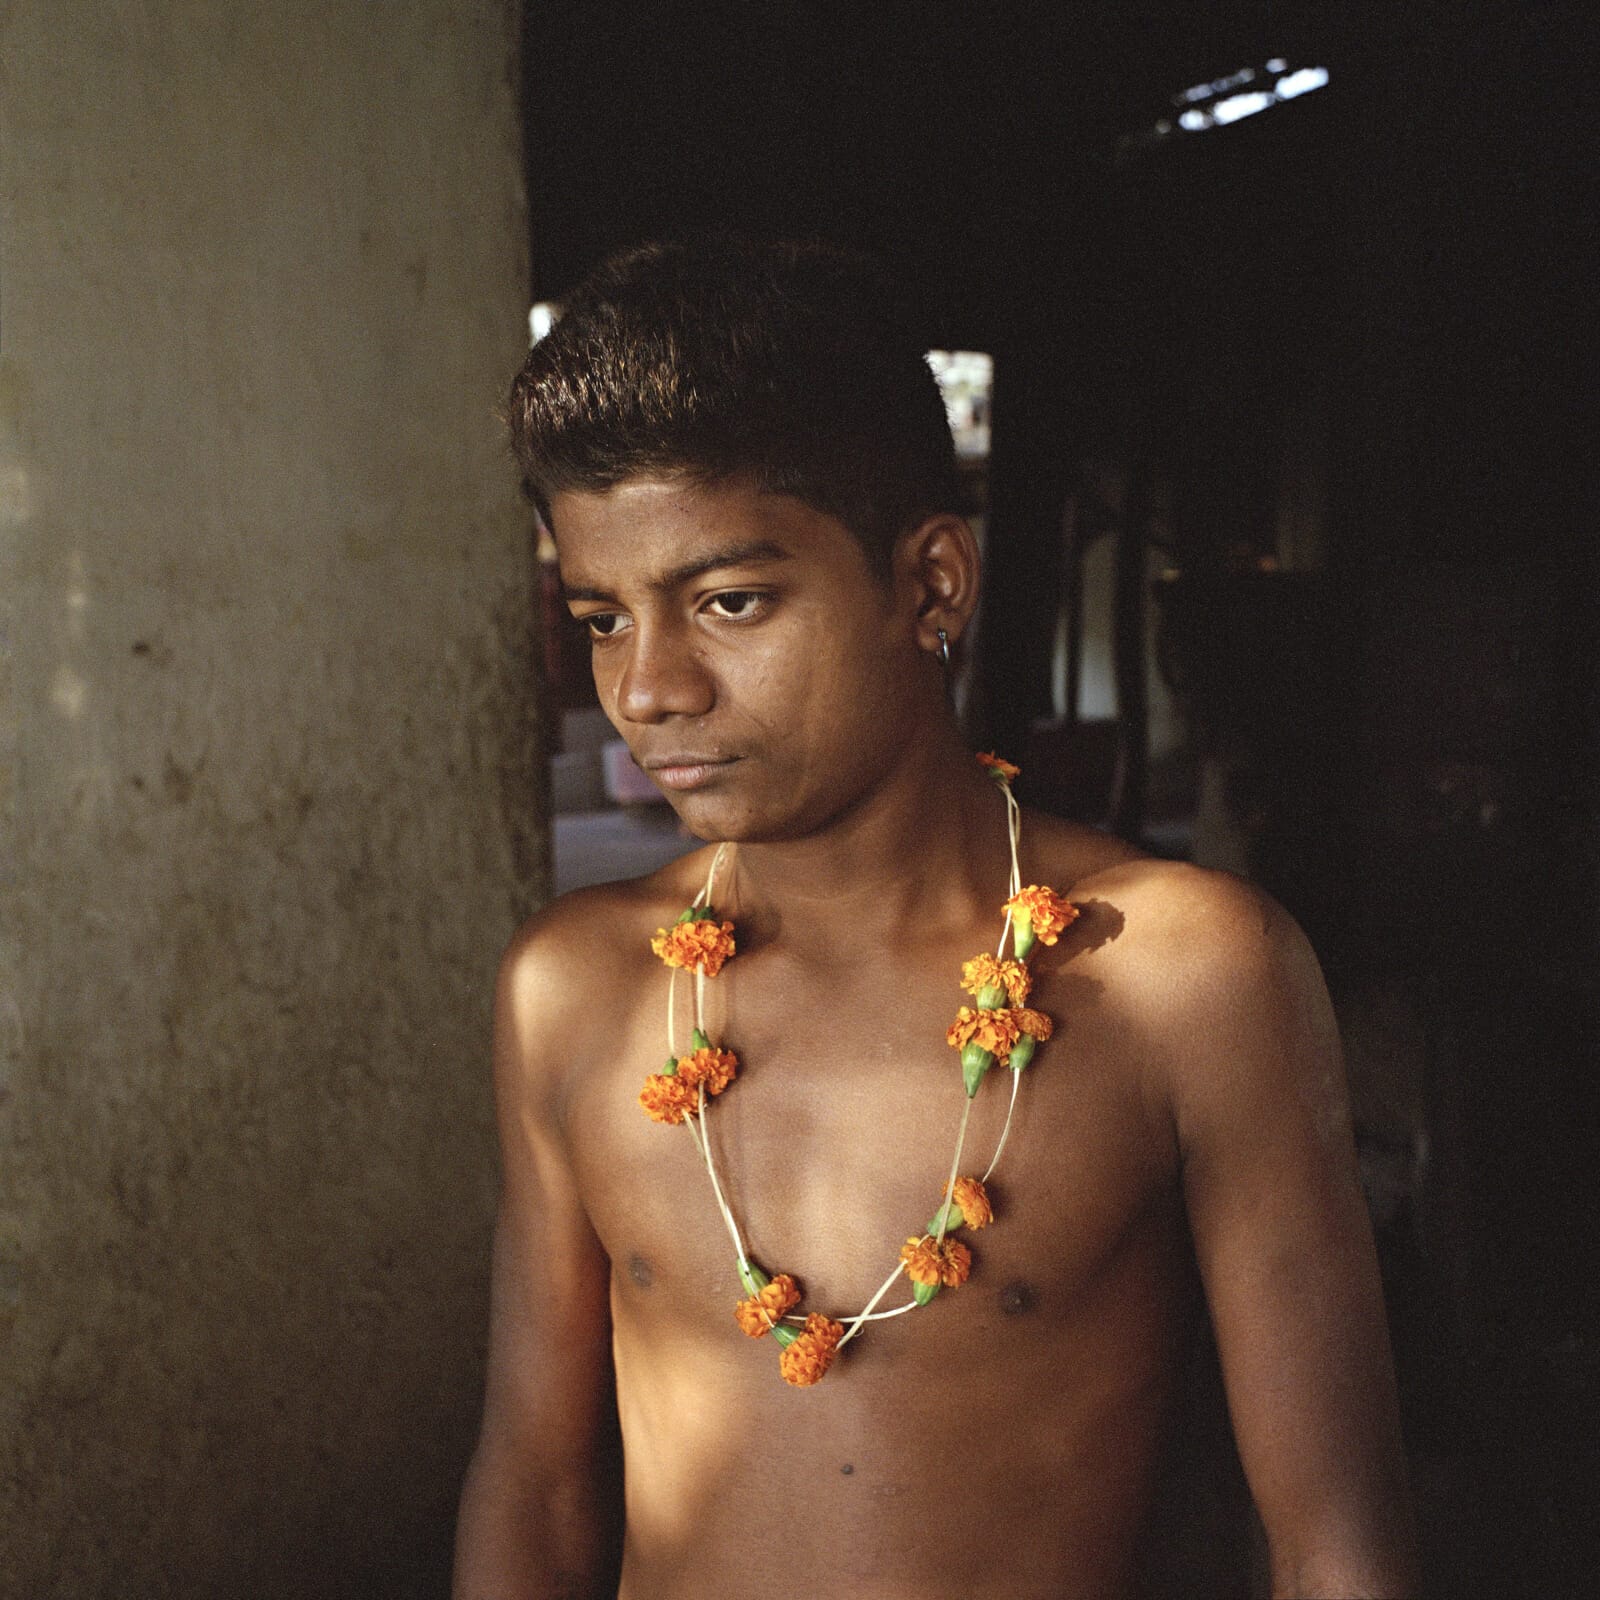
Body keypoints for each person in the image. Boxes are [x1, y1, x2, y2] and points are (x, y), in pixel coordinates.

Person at [452, 235, 1417, 1600]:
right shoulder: (574, 988)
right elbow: (537, 1485)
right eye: (604, 616)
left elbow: (1335, 1540)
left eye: (729, 603)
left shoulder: (1183, 977)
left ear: (932, 585)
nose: (652, 687)